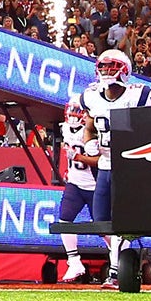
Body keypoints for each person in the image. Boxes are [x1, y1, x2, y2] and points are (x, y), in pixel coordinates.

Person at [76, 49, 151, 290]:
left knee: (123, 220)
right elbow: (90, 126)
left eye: (112, 66)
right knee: (101, 220)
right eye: (102, 67)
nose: (106, 71)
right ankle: (122, 255)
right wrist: (89, 141)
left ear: (125, 70)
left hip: (130, 166)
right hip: (105, 166)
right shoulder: (91, 96)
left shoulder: (140, 95)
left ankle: (116, 269)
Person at [53, 100, 99, 284]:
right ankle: (74, 262)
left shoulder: (92, 131)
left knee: (103, 227)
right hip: (75, 183)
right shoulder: (64, 128)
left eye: (77, 112)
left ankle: (117, 259)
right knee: (64, 220)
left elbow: (99, 159)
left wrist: (79, 157)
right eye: (71, 112)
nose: (73, 116)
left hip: (95, 185)